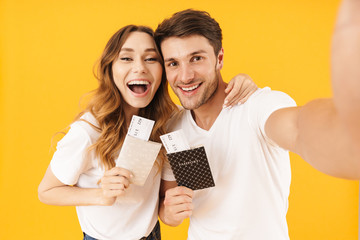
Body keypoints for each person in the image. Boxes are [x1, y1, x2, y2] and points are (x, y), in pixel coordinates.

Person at [154, 1, 360, 239]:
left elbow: (299, 129)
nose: (185, 76)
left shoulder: (257, 106)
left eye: (196, 58)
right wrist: (171, 212)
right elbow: (168, 210)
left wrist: (348, 134)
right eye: (173, 63)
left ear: (219, 58)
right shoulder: (173, 128)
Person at [37, 25, 257, 240]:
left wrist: (240, 81)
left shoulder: (168, 123)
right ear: (110, 68)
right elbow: (46, 191)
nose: (140, 67)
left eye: (151, 59)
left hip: (152, 235)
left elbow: (166, 198)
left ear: (164, 71)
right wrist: (100, 195)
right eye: (126, 58)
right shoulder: (89, 131)